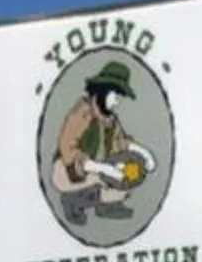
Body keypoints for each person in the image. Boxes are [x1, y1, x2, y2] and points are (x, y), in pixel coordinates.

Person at [49, 62, 153, 225]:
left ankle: (105, 205)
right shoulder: (83, 112)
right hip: (71, 171)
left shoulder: (111, 120)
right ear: (103, 91)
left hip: (100, 168)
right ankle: (74, 201)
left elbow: (120, 142)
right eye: (115, 95)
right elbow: (67, 148)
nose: (117, 102)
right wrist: (103, 169)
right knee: (73, 179)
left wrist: (143, 153)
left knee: (122, 188)